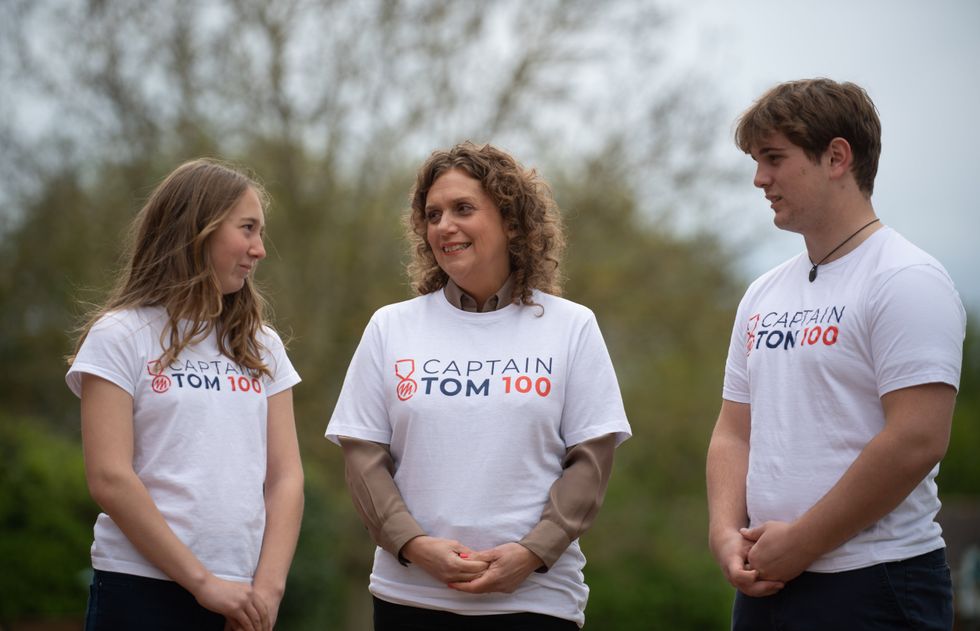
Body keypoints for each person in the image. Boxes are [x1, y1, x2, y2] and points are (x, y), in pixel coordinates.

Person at [326, 141, 631, 629]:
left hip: (536, 602)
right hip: (409, 599)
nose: (444, 226)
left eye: (463, 209)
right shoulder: (390, 327)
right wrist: (415, 545)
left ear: (511, 221)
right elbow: (363, 457)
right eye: (433, 214)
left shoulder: (572, 326)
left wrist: (532, 553)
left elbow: (590, 464)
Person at [706, 78, 967, 630]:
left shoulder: (906, 278)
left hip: (878, 582)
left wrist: (802, 542)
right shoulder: (762, 293)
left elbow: (917, 439)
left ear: (836, 157)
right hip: (765, 581)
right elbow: (734, 431)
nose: (760, 179)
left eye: (774, 158)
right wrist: (725, 533)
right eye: (757, 161)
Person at [66, 158, 304, 631]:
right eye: (248, 229)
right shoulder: (119, 335)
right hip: (138, 589)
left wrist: (268, 592)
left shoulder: (263, 346)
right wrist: (202, 583)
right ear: (197, 230)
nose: (259, 249)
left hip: (243, 596)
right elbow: (110, 477)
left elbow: (286, 478)